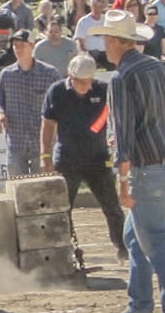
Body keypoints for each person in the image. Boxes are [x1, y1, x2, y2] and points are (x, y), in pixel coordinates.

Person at [90, 10, 165, 313]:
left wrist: (122, 180)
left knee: (155, 240)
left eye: (106, 39)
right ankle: (139, 305)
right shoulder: (157, 68)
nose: (104, 46)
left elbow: (125, 135)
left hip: (145, 168)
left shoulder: (122, 78)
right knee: (136, 235)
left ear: (118, 42)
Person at [39, 53, 127, 261]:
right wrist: (45, 155)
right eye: (81, 82)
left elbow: (113, 116)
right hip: (67, 158)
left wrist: (109, 134)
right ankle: (68, 250)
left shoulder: (103, 90)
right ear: (71, 77)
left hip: (97, 157)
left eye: (89, 82)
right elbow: (48, 125)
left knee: (111, 205)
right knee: (63, 208)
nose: (85, 87)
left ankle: (123, 246)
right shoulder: (57, 92)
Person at [0, 29, 60, 178]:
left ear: (32, 46)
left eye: (22, 45)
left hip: (42, 144)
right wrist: (0, 114)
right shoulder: (6, 75)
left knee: (43, 189)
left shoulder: (50, 74)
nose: (18, 49)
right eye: (15, 45)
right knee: (17, 188)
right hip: (16, 142)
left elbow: (61, 105)